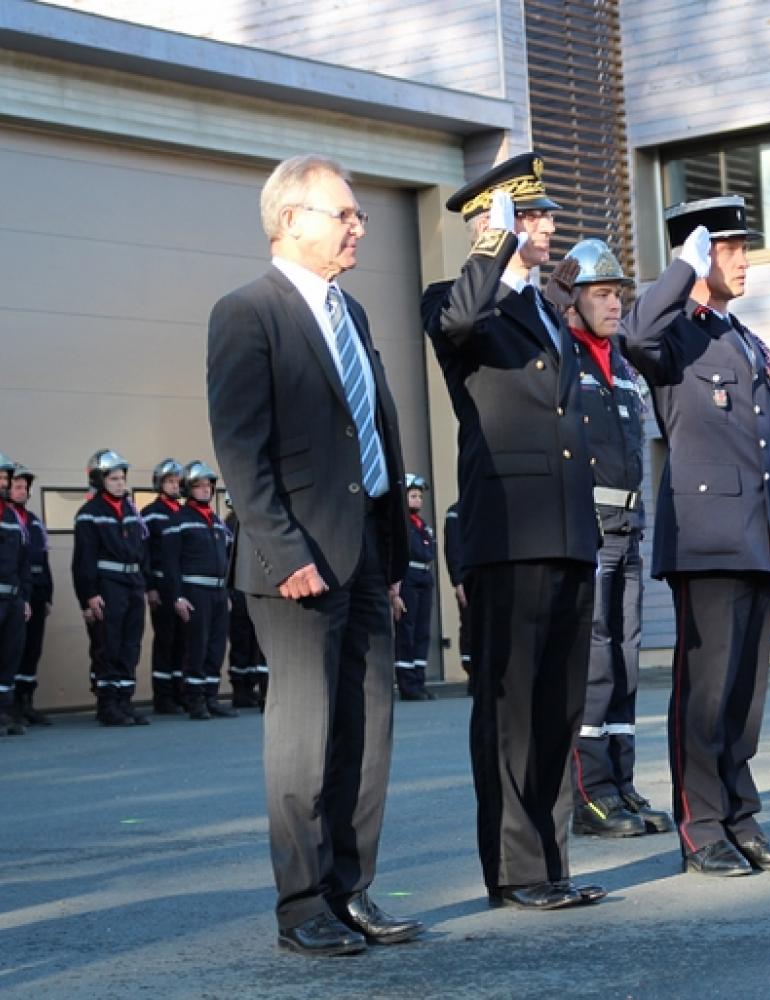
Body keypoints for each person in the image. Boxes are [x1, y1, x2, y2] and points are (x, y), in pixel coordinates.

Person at [207, 153, 422, 956]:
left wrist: (391, 558)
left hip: (365, 550)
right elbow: (240, 447)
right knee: (304, 736)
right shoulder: (247, 312)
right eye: (347, 214)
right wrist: (282, 548)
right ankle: (302, 907)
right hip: (294, 560)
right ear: (291, 219)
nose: (359, 226)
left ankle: (350, 890)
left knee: (367, 730)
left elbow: (370, 435)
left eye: (360, 215)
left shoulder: (352, 313)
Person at [422, 152, 605, 911]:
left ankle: (551, 862)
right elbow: (460, 319)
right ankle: (516, 870)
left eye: (542, 215)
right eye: (529, 215)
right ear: (490, 224)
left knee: (558, 705)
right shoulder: (460, 302)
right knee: (510, 705)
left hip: (566, 531)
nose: (546, 227)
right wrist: (492, 247)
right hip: (508, 532)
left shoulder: (540, 307)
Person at [622, 195, 770, 876]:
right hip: (706, 540)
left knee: (742, 697)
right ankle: (701, 828)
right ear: (698, 255)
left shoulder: (743, 340)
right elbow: (634, 335)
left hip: (756, 539)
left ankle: (741, 817)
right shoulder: (677, 333)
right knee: (703, 694)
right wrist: (677, 272)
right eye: (728, 247)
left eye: (742, 246)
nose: (743, 259)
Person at [545, 239, 672, 839]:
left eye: (618, 293)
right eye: (602, 293)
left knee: (624, 658)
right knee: (594, 662)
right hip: (589, 531)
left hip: (629, 529)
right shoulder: (562, 353)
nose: (615, 304)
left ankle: (619, 781)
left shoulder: (619, 364)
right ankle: (588, 793)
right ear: (574, 300)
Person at [71, 450, 150, 727]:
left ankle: (124, 701)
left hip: (133, 585)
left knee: (131, 646)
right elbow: (83, 560)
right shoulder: (89, 514)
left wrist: (145, 585)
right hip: (107, 587)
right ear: (99, 479)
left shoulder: (130, 510)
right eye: (113, 478)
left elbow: (142, 550)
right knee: (108, 646)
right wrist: (89, 595)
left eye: (122, 478)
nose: (120, 483)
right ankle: (107, 704)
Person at [161, 461, 238, 721]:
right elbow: (171, 564)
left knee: (216, 647)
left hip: (218, 593)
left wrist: (226, 593)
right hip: (195, 592)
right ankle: (194, 700)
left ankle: (211, 697)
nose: (205, 491)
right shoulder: (178, 520)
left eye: (208, 486)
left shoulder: (216, 522)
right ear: (187, 489)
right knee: (197, 647)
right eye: (199, 486)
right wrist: (177, 596)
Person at [141, 458, 187, 715]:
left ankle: (179, 691)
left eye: (177, 482)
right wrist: (150, 587)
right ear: (160, 484)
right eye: (169, 481)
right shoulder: (150, 514)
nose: (174, 486)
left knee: (183, 641)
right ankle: (163, 696)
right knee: (165, 640)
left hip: (180, 585)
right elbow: (145, 553)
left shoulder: (182, 513)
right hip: (160, 584)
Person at [8, 464, 53, 726]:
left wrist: (47, 595)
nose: (22, 491)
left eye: (25, 487)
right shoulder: (7, 518)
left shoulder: (33, 521)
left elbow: (43, 559)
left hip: (36, 591)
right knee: (14, 649)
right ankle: (10, 705)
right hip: (16, 593)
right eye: (17, 486)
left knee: (32, 649)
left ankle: (26, 702)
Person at [394, 473, 436, 701]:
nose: (418, 500)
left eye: (420, 496)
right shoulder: (402, 524)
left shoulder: (423, 526)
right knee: (407, 631)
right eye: (413, 495)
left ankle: (419, 681)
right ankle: (407, 684)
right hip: (408, 576)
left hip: (424, 576)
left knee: (422, 631)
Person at [225, 503, 268, 711]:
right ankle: (240, 691)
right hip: (239, 589)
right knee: (241, 642)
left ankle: (254, 689)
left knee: (257, 644)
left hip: (256, 588)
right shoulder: (231, 523)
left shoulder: (258, 523)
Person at [0, 453, 31, 737]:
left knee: (9, 657)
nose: (3, 482)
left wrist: (24, 599)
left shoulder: (11, 516)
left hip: (12, 598)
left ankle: (5, 713)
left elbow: (23, 562)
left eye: (5, 478)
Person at [442, 500, 472, 694]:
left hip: (486, 577)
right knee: (469, 627)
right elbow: (452, 549)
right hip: (468, 578)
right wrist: (458, 581)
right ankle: (473, 674)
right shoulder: (456, 512)